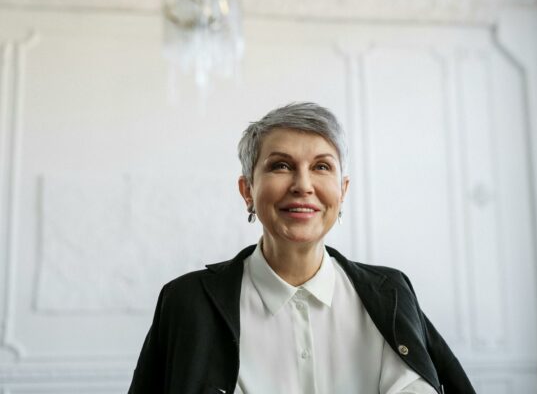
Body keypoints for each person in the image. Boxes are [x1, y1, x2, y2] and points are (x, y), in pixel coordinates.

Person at [128, 102, 475, 394]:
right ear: (247, 190)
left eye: (322, 167)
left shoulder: (393, 292)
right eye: (281, 165)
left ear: (343, 191)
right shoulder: (185, 301)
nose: (303, 185)